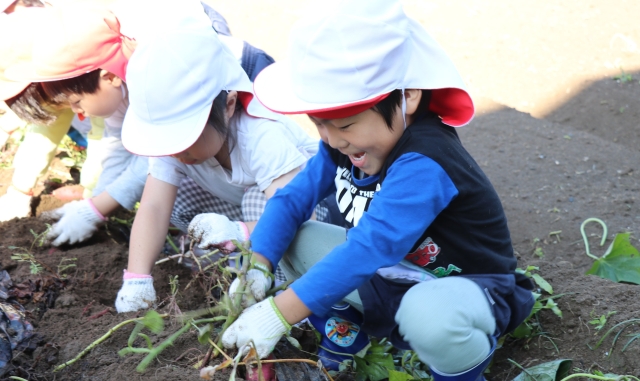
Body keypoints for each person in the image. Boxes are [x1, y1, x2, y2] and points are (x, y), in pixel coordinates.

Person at [219, 1, 535, 380]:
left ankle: (461, 367)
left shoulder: (425, 161)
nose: (333, 139)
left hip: (469, 291)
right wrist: (259, 264)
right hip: (394, 278)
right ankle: (344, 341)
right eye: (320, 124)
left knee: (426, 314)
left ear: (408, 96)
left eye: (346, 124)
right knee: (294, 239)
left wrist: (278, 313)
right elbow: (291, 199)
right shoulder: (345, 146)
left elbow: (371, 246)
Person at [3, 1, 278, 245]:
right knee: (193, 179)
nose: (77, 113)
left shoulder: (155, 77)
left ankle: (257, 240)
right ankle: (232, 234)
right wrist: (94, 203)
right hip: (208, 123)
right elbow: (116, 145)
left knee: (257, 182)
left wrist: (97, 208)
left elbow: (156, 156)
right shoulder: (112, 84)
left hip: (243, 74)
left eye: (76, 102)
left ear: (107, 77)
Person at [113, 18, 320, 313]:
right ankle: (227, 267)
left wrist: (238, 232)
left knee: (256, 202)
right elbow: (154, 207)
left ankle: (282, 293)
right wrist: (137, 279)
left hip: (315, 216)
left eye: (186, 137)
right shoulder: (175, 149)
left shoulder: (261, 134)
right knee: (176, 198)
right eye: (167, 140)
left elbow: (298, 212)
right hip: (250, 211)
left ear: (229, 105)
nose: (175, 151)